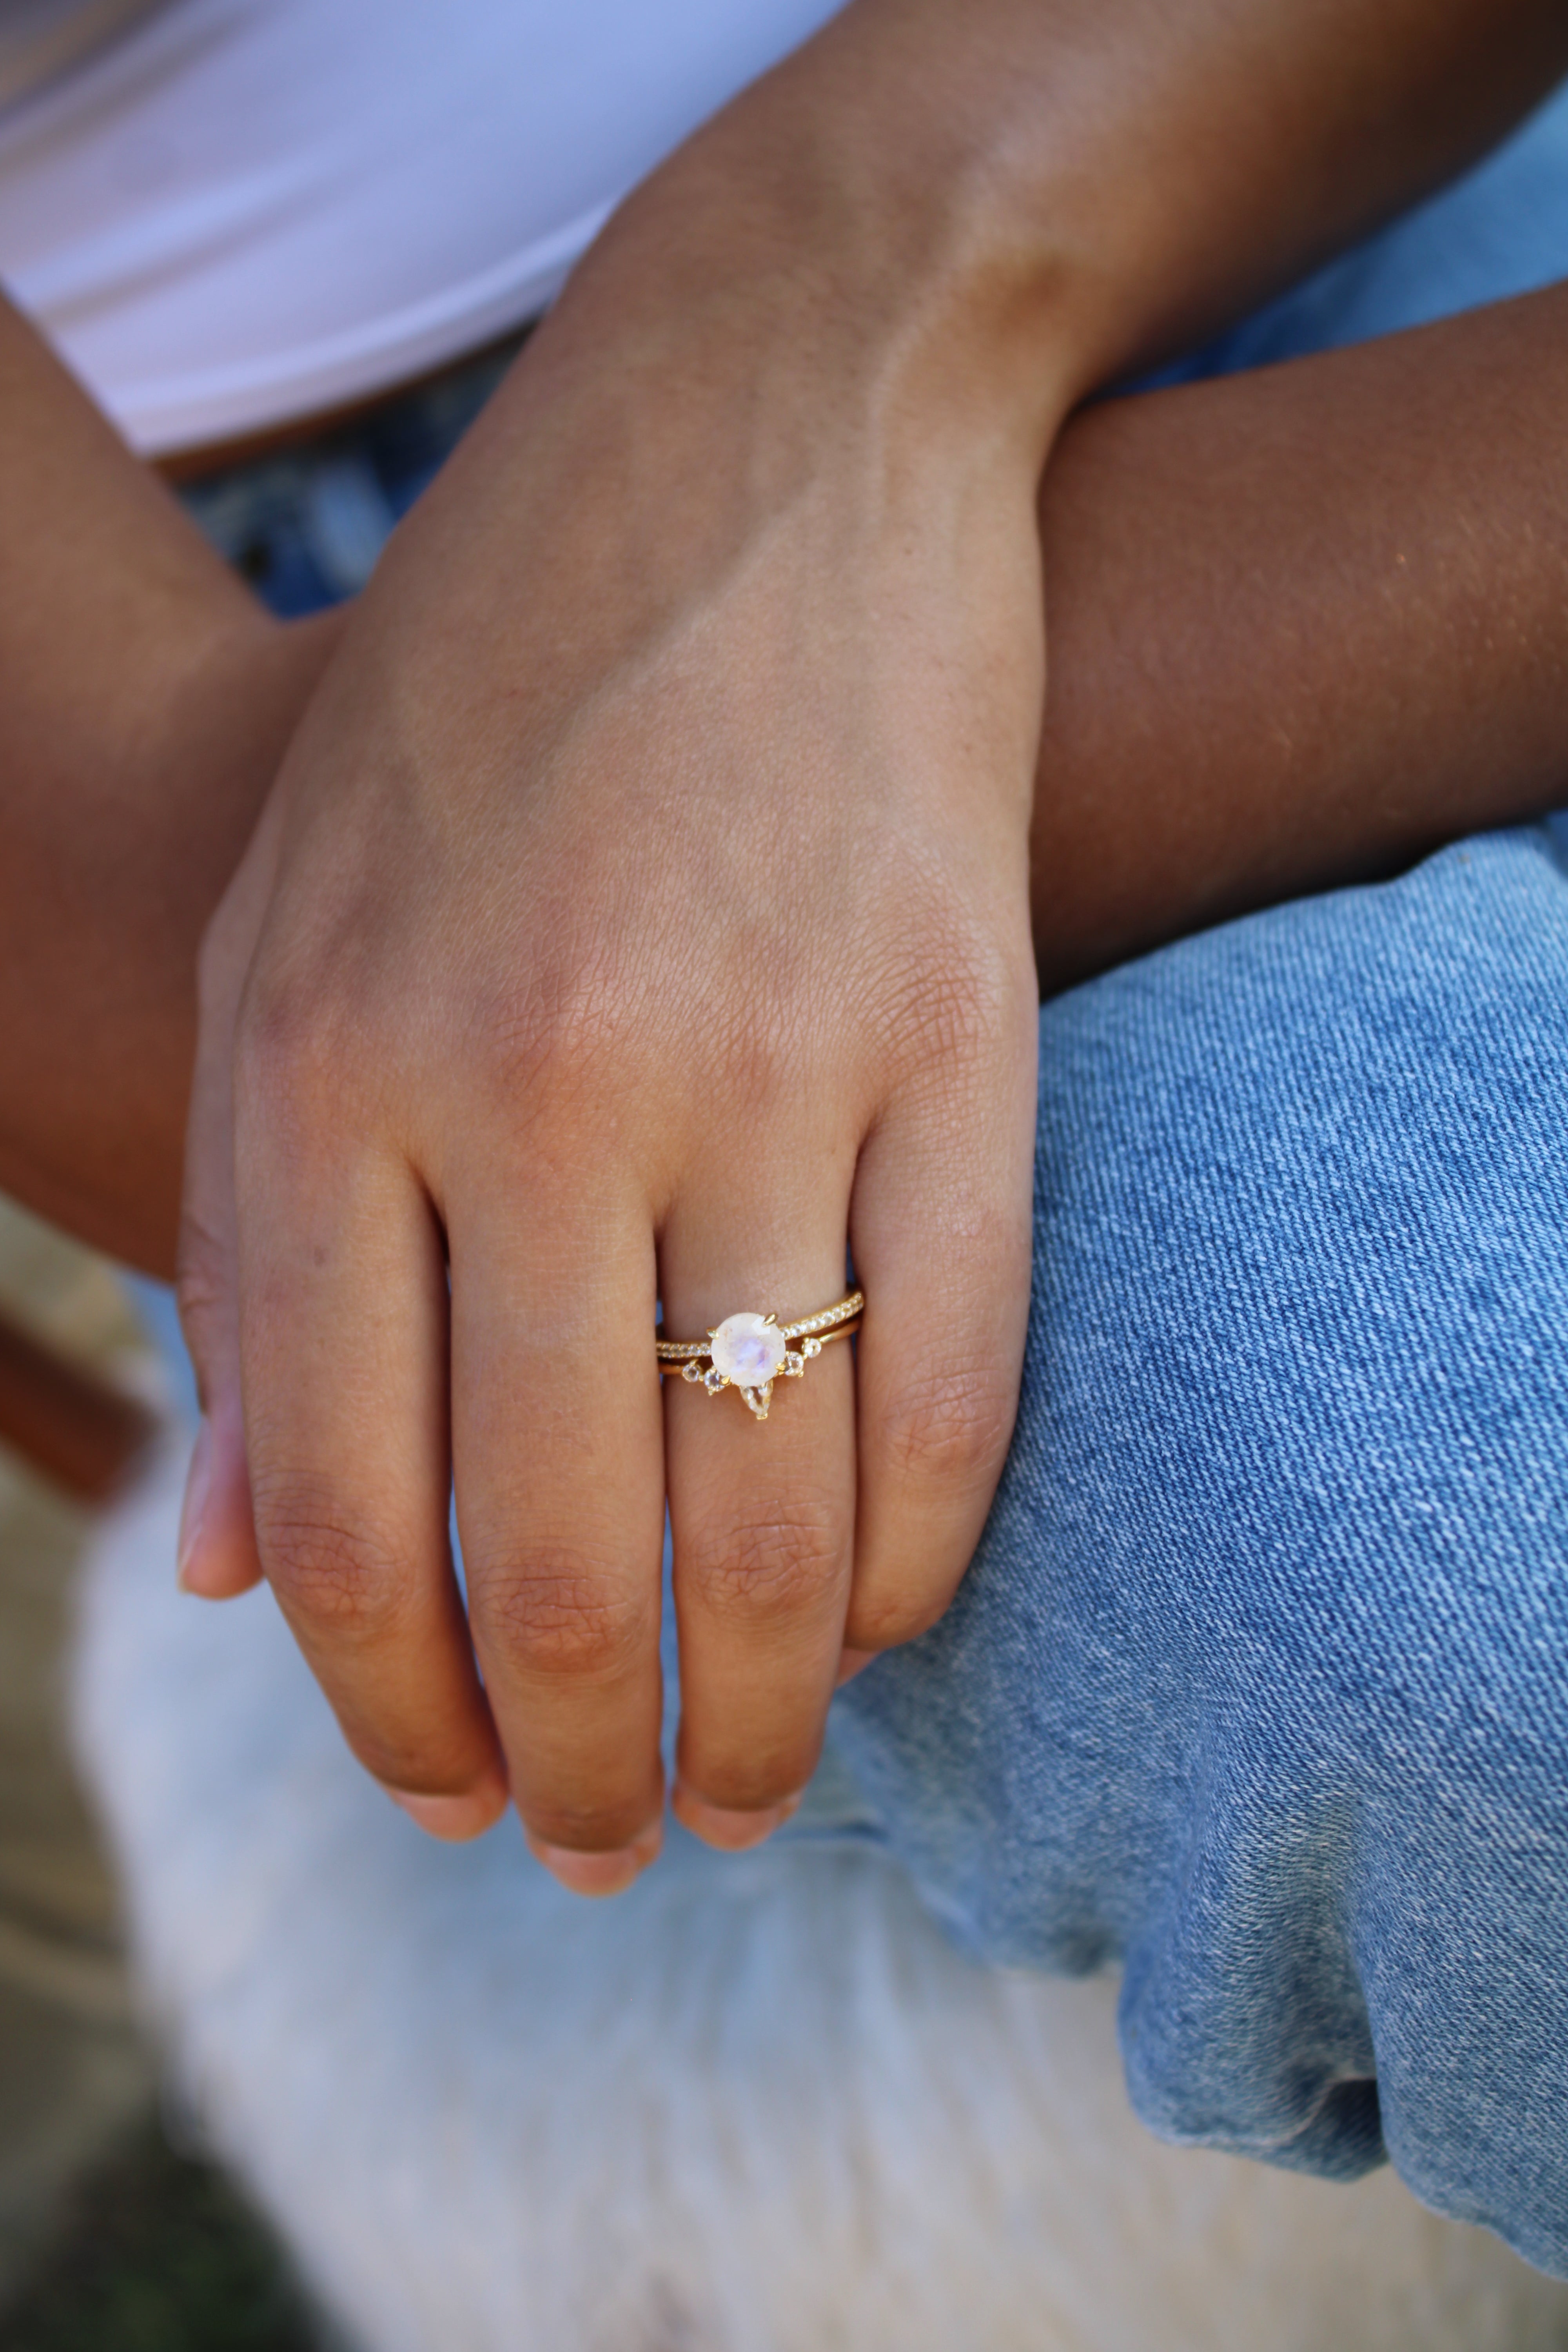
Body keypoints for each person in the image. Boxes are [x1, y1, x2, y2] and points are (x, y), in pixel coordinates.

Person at [4, 0, 1568, 2269]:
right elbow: (160, 939)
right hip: (322, 646)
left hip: (1236, 88)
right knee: (1435, 1577)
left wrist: (804, 283)